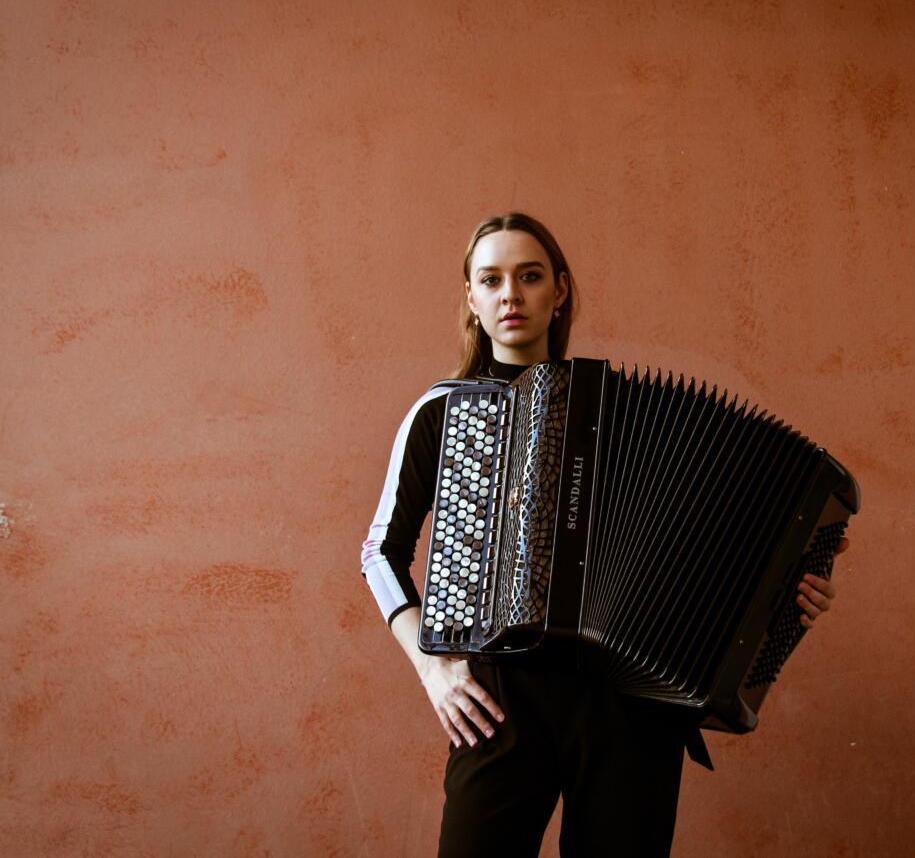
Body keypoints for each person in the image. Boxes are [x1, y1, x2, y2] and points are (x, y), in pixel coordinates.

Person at [360, 211, 849, 858]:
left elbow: (718, 551)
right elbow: (380, 551)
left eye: (529, 276)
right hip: (502, 698)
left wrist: (792, 592)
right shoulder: (443, 412)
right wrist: (433, 666)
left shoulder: (623, 413)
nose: (512, 293)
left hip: (632, 703)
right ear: (471, 298)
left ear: (558, 290)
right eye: (492, 279)